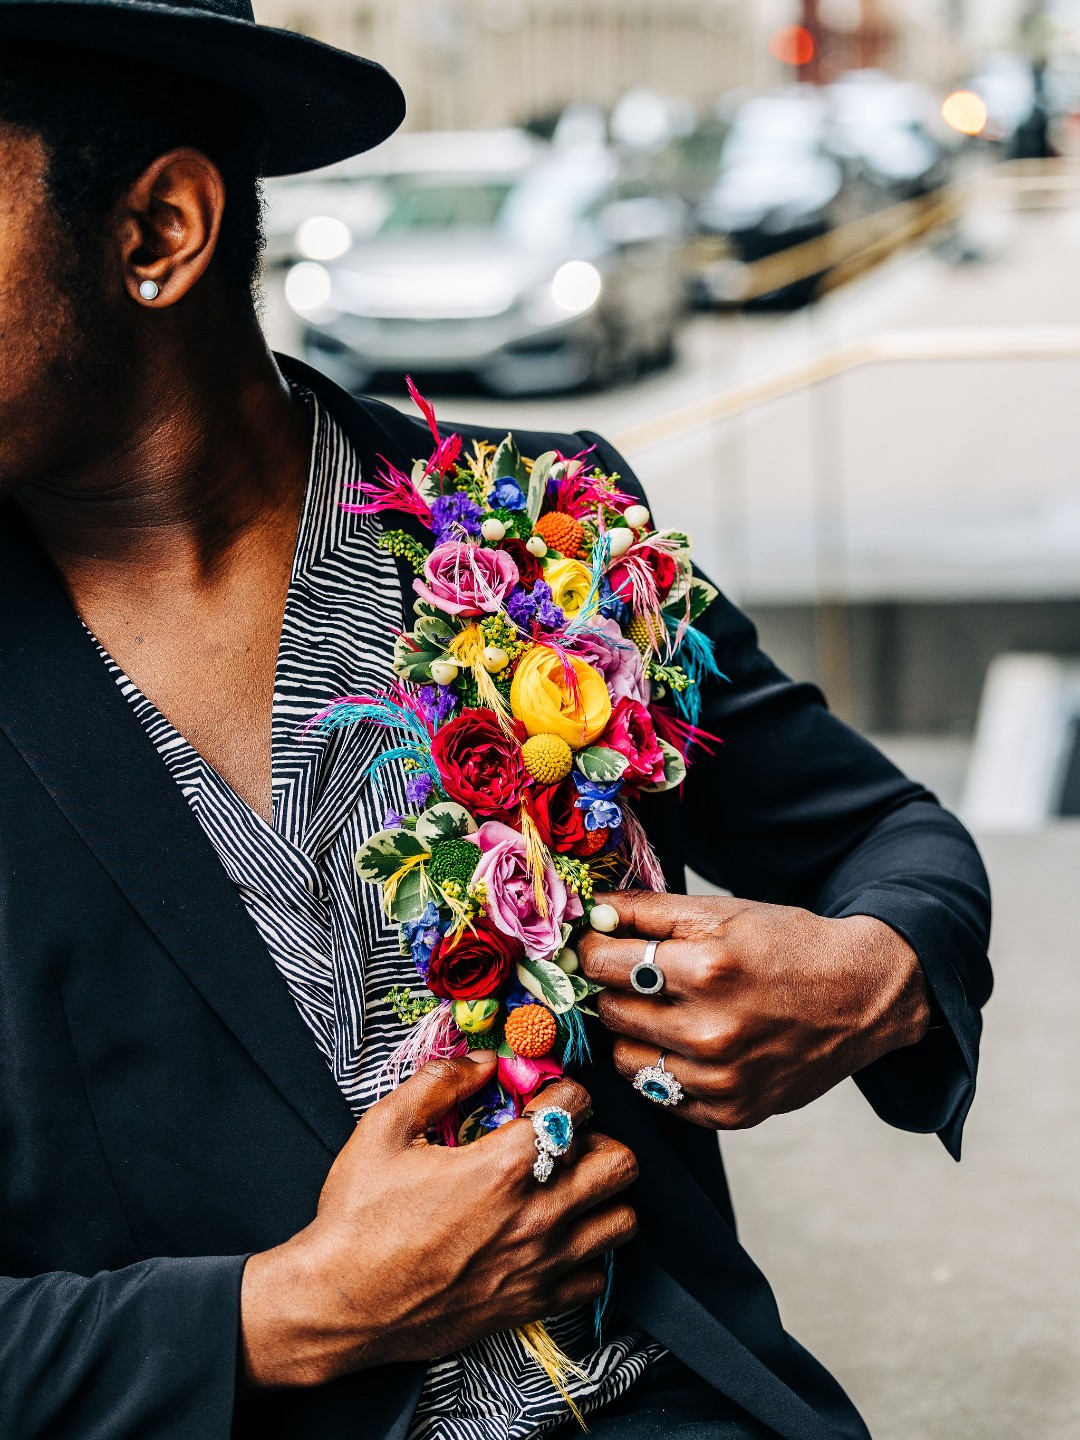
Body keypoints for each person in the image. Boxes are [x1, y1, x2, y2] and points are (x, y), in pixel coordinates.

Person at [0, 8, 992, 1440]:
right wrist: (275, 1318)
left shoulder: (535, 540)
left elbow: (891, 838)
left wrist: (875, 966)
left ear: (159, 228)